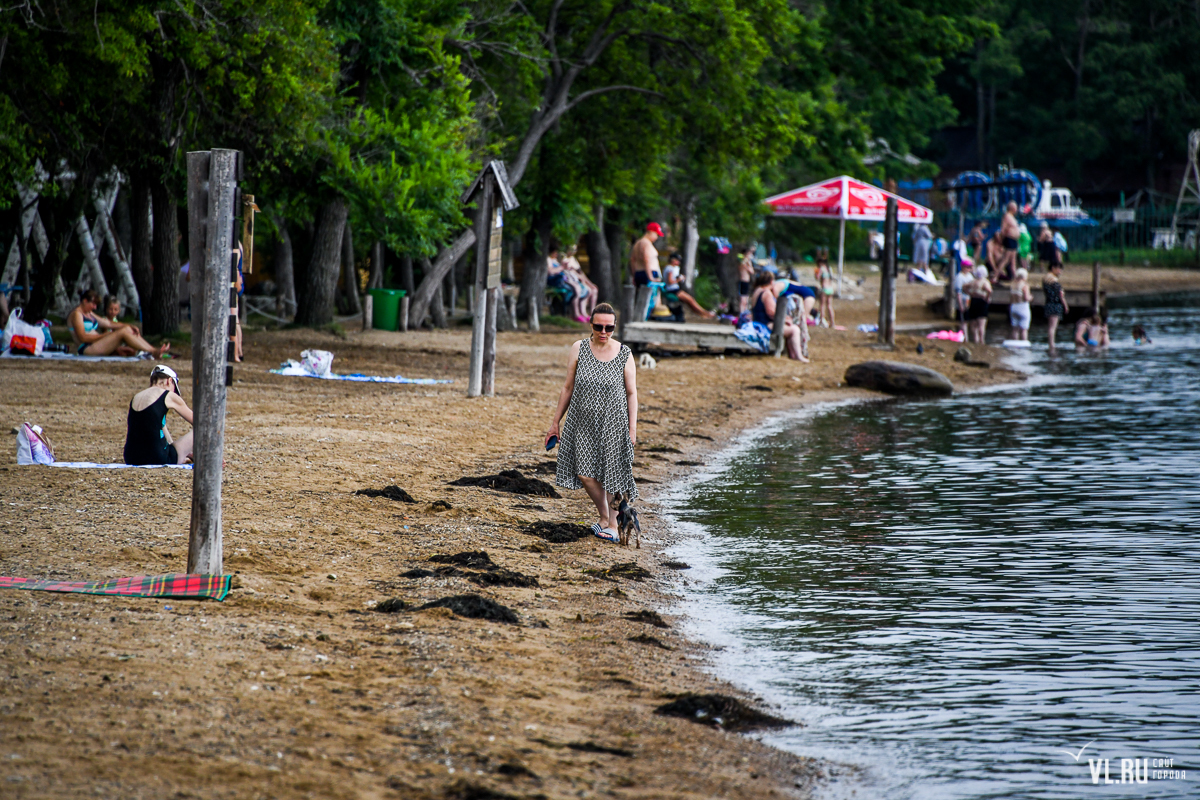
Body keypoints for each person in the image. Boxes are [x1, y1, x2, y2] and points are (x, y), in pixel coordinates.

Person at [546, 303, 637, 542]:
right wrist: (555, 422)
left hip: (613, 424)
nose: (603, 331)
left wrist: (632, 429)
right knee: (585, 474)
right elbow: (568, 387)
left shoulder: (625, 354)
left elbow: (631, 393)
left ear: (615, 326)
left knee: (611, 475)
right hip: (581, 422)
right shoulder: (579, 348)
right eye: (598, 326)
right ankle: (608, 517)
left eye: (609, 327)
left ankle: (612, 525)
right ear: (591, 324)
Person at [124, 365, 193, 465]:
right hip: (158, 458)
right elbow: (199, 422)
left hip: (131, 458)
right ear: (169, 381)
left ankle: (181, 456)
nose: (173, 392)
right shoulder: (168, 395)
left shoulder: (136, 397)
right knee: (204, 427)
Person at [68, 289, 169, 357]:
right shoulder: (77, 314)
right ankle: (153, 351)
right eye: (93, 304)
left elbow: (108, 323)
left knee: (127, 329)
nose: (95, 307)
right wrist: (104, 336)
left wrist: (129, 325)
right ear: (85, 301)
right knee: (124, 332)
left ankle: (152, 350)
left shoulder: (89, 313)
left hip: (97, 344)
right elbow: (83, 337)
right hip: (87, 349)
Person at [748, 271, 808, 361]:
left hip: (757, 322)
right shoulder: (767, 293)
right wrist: (785, 320)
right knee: (794, 329)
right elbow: (771, 312)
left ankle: (792, 354)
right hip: (766, 324)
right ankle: (798, 355)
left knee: (789, 328)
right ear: (771, 281)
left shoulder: (757, 291)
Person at [662, 252, 715, 319]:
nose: (679, 262)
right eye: (677, 260)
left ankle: (702, 313)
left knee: (690, 301)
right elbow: (670, 282)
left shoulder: (674, 268)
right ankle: (704, 313)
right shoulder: (670, 269)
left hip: (675, 289)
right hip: (673, 290)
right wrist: (679, 279)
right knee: (690, 300)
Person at [561, 245, 597, 321]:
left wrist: (590, 284)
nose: (574, 251)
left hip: (578, 280)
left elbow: (581, 273)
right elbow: (570, 273)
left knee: (594, 290)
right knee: (587, 290)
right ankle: (580, 313)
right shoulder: (563, 259)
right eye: (572, 249)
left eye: (575, 249)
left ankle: (591, 313)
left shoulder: (573, 259)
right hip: (572, 281)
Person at [1043, 262, 1068, 349]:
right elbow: (1060, 294)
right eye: (1059, 269)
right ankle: (1052, 344)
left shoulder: (1046, 278)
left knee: (1050, 326)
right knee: (1053, 327)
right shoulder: (1054, 280)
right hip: (1055, 304)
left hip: (1048, 303)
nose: (1060, 271)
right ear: (1053, 268)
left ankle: (1050, 343)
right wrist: (1065, 305)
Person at [965, 266, 992, 344]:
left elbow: (964, 286)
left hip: (973, 301)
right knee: (981, 323)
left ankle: (975, 339)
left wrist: (970, 293)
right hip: (981, 302)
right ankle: (981, 340)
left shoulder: (973, 281)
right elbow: (989, 290)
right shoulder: (984, 282)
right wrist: (987, 298)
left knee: (973, 323)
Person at [1008, 267, 1033, 341]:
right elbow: (1026, 298)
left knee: (1015, 329)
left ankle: (1014, 343)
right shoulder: (1024, 285)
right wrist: (1031, 297)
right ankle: (1024, 343)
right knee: (1024, 329)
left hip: (1013, 307)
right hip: (1023, 307)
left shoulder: (1013, 285)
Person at [998, 201, 1020, 280]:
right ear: (1012, 208)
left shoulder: (1012, 217)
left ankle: (1015, 277)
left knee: (1013, 260)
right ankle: (996, 276)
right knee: (1006, 259)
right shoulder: (1007, 216)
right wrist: (1001, 241)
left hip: (1014, 240)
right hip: (1009, 239)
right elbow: (1003, 229)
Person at [952, 260, 974, 333]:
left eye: (969, 267)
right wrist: (960, 304)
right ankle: (962, 336)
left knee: (966, 321)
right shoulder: (959, 277)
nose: (968, 269)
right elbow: (958, 292)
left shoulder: (970, 276)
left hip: (968, 300)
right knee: (961, 321)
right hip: (962, 300)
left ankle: (965, 337)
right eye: (967, 267)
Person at [815, 254, 836, 328]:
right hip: (830, 288)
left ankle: (821, 321)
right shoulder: (829, 268)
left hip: (824, 288)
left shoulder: (821, 269)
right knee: (829, 306)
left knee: (822, 305)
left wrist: (816, 273)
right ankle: (832, 322)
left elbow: (817, 278)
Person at [737, 247, 755, 312]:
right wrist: (749, 264)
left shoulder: (744, 262)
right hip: (743, 281)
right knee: (743, 300)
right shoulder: (744, 263)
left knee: (746, 300)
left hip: (746, 281)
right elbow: (751, 271)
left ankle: (744, 312)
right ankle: (742, 313)